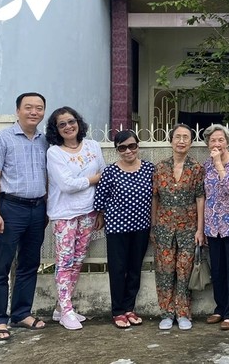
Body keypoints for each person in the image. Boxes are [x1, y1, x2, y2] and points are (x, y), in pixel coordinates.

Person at [0, 92, 49, 341]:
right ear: (18, 111)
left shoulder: (45, 141)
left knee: (29, 264)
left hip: (37, 209)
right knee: (1, 266)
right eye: (29, 107)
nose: (34, 112)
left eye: (39, 108)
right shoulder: (2, 139)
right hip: (10, 208)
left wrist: (45, 208)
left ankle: (21, 313)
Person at [45, 107, 106, 330]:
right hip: (65, 214)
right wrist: (92, 179)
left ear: (78, 123)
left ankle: (62, 309)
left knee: (78, 260)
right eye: (62, 124)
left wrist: (100, 210)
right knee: (64, 262)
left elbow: (104, 176)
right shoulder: (54, 152)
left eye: (71, 121)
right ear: (56, 129)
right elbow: (66, 185)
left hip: (89, 212)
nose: (68, 127)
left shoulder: (93, 146)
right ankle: (67, 310)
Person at [94, 130, 154, 329]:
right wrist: (101, 216)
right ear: (117, 150)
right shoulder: (110, 171)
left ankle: (129, 308)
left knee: (134, 269)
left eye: (132, 146)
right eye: (122, 147)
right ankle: (118, 311)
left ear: (138, 146)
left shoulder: (148, 169)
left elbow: (156, 196)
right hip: (117, 228)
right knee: (118, 270)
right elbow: (100, 199)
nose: (128, 151)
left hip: (142, 227)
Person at [152, 124, 206, 331]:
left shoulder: (196, 168)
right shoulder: (160, 167)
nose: (181, 141)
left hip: (189, 226)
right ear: (171, 140)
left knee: (184, 270)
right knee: (165, 270)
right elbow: (155, 197)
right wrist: (153, 226)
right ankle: (166, 312)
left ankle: (183, 313)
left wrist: (200, 230)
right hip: (164, 226)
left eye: (186, 137)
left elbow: (200, 198)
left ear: (191, 142)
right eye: (178, 137)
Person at [202, 124, 229, 331]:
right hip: (212, 225)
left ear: (227, 142)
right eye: (212, 140)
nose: (217, 143)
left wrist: (219, 164)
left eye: (220, 140)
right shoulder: (205, 165)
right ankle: (220, 308)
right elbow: (205, 195)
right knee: (217, 269)